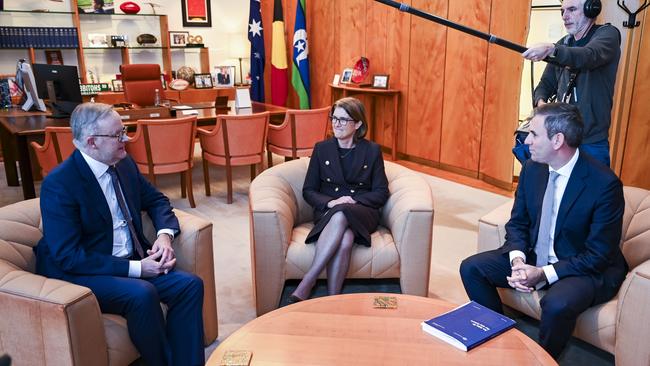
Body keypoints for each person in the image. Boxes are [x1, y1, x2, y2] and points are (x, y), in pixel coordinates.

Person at [34, 103, 205, 366]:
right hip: (84, 271)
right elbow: (69, 256)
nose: (125, 138)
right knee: (142, 293)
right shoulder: (60, 184)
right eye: (117, 135)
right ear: (92, 142)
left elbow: (157, 200)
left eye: (123, 131)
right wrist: (138, 268)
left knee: (189, 285)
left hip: (131, 258)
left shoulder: (123, 164)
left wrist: (164, 236)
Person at [460, 102, 627, 359]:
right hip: (535, 256)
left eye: (534, 134)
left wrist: (543, 274)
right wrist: (518, 259)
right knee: (472, 267)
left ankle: (542, 359)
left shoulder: (604, 185)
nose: (527, 141)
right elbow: (518, 223)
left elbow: (598, 255)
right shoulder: (532, 169)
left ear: (558, 140)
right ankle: (503, 338)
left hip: (583, 267)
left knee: (557, 303)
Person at [290, 97, 389, 301]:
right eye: (334, 118)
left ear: (358, 124)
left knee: (344, 212)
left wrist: (353, 202)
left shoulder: (372, 151)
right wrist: (331, 203)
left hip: (361, 211)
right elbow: (309, 190)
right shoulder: (321, 148)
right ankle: (333, 300)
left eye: (343, 119)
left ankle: (309, 280)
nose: (336, 123)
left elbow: (381, 192)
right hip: (328, 211)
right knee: (345, 241)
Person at [522, 0, 620, 167]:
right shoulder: (563, 44)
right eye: (562, 11)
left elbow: (588, 55)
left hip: (591, 142)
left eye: (572, 9)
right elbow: (545, 85)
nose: (565, 16)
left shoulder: (608, 34)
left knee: (591, 192)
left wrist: (552, 49)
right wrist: (542, 105)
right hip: (560, 139)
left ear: (591, 10)